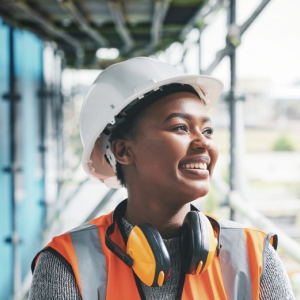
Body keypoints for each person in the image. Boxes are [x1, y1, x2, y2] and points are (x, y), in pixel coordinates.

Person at [29, 57, 294, 300]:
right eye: (180, 127)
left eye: (208, 130)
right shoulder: (67, 264)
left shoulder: (254, 257)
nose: (203, 142)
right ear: (124, 150)